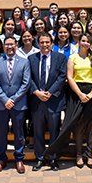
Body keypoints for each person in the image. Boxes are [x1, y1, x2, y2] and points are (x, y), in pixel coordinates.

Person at [46, 33, 92, 169]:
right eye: (83, 41)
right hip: (76, 91)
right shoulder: (72, 58)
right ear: (79, 42)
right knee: (78, 124)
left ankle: (89, 154)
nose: (85, 43)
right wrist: (80, 94)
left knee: (90, 124)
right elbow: (70, 77)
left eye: (88, 41)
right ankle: (78, 154)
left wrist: (91, 93)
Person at [28, 33, 67, 171]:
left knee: (54, 131)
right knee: (38, 131)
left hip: (53, 100)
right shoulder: (31, 58)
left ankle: (53, 158)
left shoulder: (60, 58)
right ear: (38, 44)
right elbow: (28, 78)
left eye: (47, 42)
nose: (45, 45)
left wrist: (50, 92)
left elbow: (62, 76)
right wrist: (37, 92)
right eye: (42, 42)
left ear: (51, 43)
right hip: (37, 100)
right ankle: (39, 158)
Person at [0, 36, 31, 174]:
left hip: (18, 104)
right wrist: (4, 99)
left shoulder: (24, 62)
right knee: (1, 133)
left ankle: (19, 159)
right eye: (7, 45)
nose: (9, 47)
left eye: (12, 44)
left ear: (16, 46)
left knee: (19, 133)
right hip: (1, 105)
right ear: (3, 47)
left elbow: (26, 83)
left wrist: (12, 99)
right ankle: (1, 159)